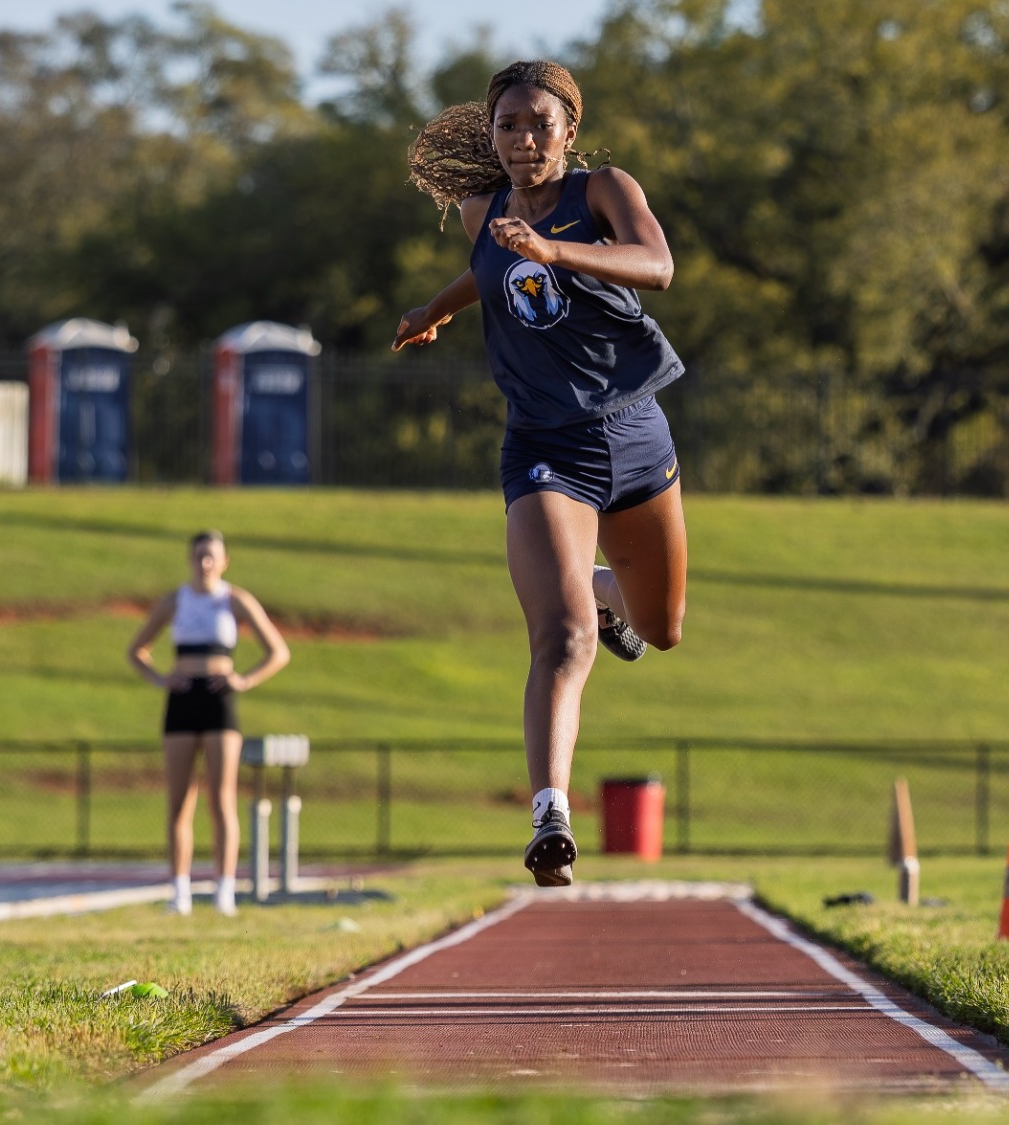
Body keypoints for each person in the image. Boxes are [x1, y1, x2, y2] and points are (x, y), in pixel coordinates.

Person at [395, 60, 688, 886]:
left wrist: (555, 249)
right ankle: (550, 813)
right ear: (490, 134)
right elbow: (492, 272)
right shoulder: (481, 211)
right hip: (544, 445)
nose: (523, 139)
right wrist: (434, 310)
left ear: (569, 130)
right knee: (563, 635)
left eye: (539, 124)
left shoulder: (603, 191)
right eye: (508, 125)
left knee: (663, 628)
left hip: (634, 431)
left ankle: (604, 588)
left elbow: (657, 264)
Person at [126, 530, 289, 915]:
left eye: (212, 556)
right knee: (179, 801)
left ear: (224, 561)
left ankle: (224, 890)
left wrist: (243, 680)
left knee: (221, 799)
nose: (205, 563)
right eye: (199, 555)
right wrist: (161, 679)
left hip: (219, 700)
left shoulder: (235, 600)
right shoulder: (175, 601)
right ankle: (179, 891)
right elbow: (137, 651)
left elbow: (278, 651)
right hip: (182, 699)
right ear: (190, 558)